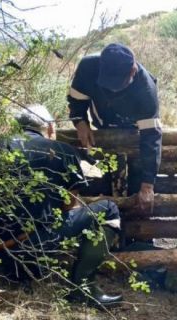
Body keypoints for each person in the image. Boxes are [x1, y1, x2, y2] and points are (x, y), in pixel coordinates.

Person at [0, 105, 123, 308]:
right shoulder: (63, 151)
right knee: (108, 209)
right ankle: (83, 288)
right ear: (50, 128)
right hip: (31, 249)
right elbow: (69, 205)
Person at [67, 43, 161, 212]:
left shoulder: (146, 91)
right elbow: (76, 101)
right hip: (102, 126)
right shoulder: (88, 68)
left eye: (118, 85)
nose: (112, 90)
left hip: (132, 130)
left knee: (135, 174)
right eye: (107, 84)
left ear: (132, 71)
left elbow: (151, 137)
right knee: (100, 178)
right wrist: (80, 121)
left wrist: (147, 185)